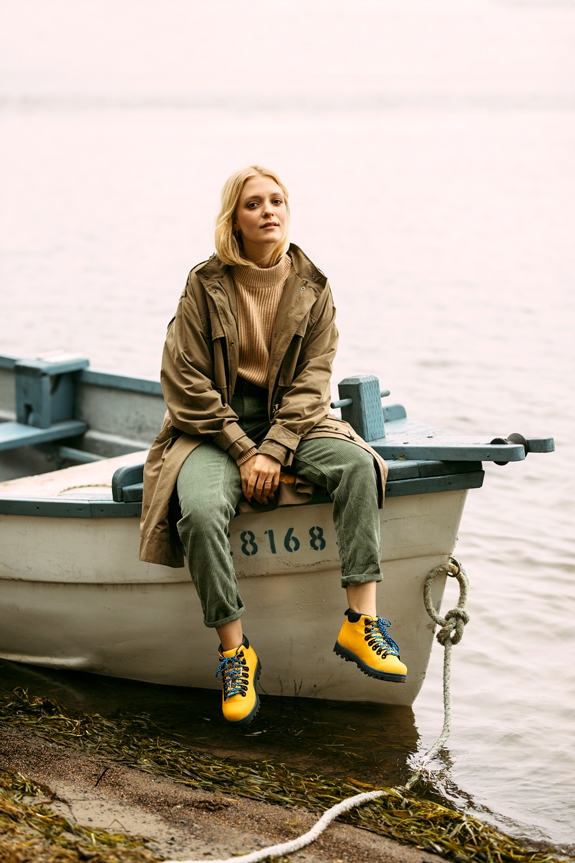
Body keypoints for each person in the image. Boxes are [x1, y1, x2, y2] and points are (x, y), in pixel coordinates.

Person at [140, 165, 407, 725]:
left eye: (277, 201)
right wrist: (244, 449)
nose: (268, 211)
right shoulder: (204, 285)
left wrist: (276, 447)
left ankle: (361, 621)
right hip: (212, 429)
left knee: (360, 466)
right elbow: (184, 379)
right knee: (203, 508)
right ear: (233, 220)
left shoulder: (314, 287)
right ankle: (235, 651)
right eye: (253, 204)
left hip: (292, 423)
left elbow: (314, 383)